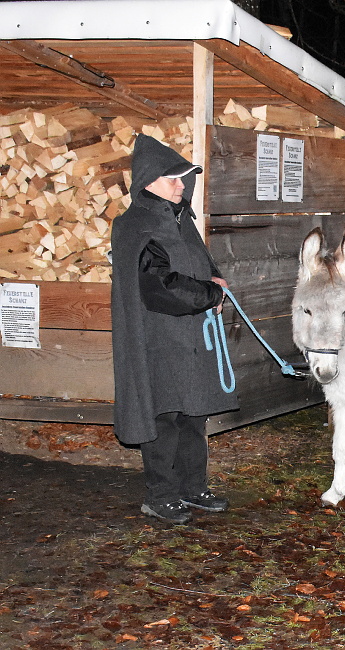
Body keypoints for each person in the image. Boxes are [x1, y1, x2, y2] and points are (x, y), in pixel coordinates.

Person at [111, 134, 239, 524]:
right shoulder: (136, 226)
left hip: (190, 341)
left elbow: (200, 266)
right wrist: (206, 294)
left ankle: (193, 487)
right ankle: (160, 494)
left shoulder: (180, 221)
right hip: (157, 341)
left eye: (184, 179)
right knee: (164, 418)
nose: (182, 186)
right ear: (148, 180)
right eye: (174, 179)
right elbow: (158, 287)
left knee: (193, 416)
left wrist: (214, 282)